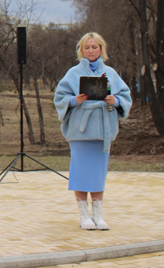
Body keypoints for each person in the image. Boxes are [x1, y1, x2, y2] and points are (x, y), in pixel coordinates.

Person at [54, 32, 131, 230]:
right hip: (81, 131)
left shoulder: (111, 74)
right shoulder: (73, 73)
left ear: (101, 49)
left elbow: (125, 96)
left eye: (94, 47)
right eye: (87, 47)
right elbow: (60, 97)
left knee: (98, 173)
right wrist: (74, 100)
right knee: (80, 172)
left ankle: (98, 215)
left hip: (103, 130)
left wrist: (116, 101)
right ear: (81, 50)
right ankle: (84, 215)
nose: (90, 50)